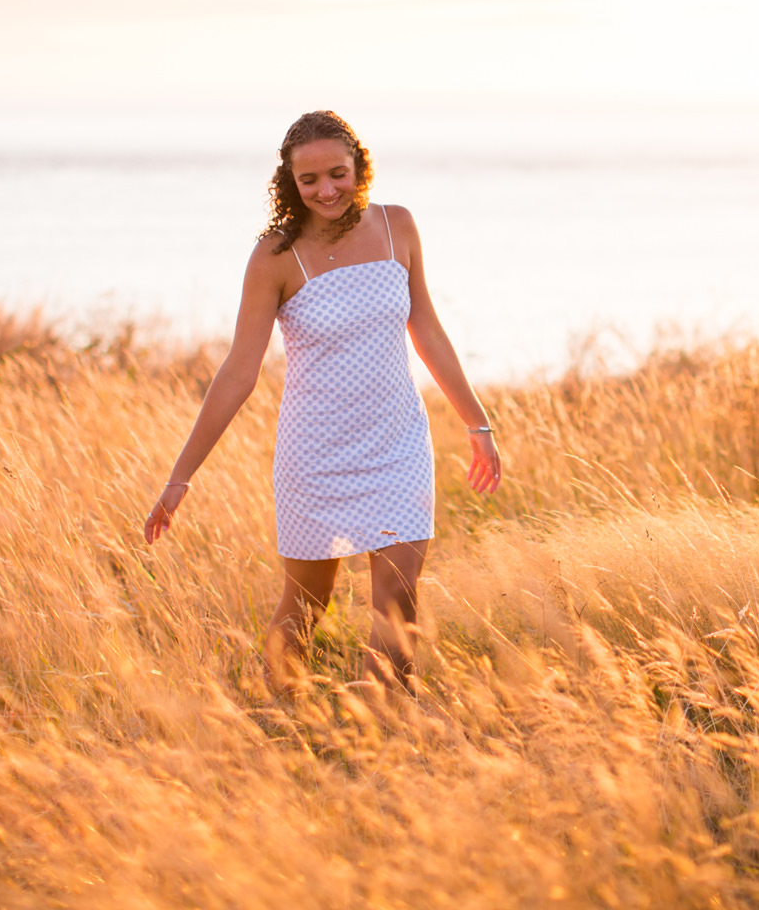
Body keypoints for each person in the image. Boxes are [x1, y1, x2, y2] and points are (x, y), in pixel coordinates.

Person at [143, 110, 500, 695]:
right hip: (316, 457)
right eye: (310, 180)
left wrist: (477, 423)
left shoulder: (398, 227)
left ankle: (390, 738)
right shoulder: (276, 256)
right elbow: (238, 372)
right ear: (290, 182)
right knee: (308, 604)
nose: (326, 190)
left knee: (399, 602)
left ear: (360, 168)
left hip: (398, 445)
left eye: (338, 173)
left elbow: (427, 331)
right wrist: (181, 477)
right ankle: (280, 722)